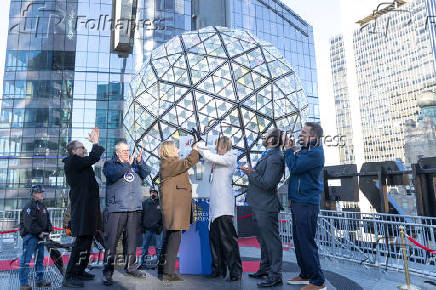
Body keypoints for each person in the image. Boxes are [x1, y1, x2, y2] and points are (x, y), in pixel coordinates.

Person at [102, 141, 151, 285]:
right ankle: (108, 272)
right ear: (117, 152)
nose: (126, 152)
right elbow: (113, 175)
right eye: (123, 151)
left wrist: (140, 162)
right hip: (116, 209)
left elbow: (146, 173)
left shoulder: (134, 165)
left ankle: (131, 267)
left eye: (128, 150)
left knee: (131, 241)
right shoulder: (110, 164)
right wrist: (127, 164)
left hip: (133, 209)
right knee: (111, 242)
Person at [241, 128, 285, 288]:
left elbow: (267, 184)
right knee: (264, 240)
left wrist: (250, 173)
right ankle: (265, 268)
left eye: (266, 136)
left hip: (266, 206)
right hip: (259, 204)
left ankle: (275, 275)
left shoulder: (275, 158)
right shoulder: (269, 156)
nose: (263, 137)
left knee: (272, 241)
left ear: (273, 140)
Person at [284, 122, 326, 290]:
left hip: (307, 202)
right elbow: (296, 165)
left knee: (306, 241)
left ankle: (318, 281)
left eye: (304, 132)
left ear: (313, 136)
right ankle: (305, 274)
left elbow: (294, 167)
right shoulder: (305, 151)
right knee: (299, 240)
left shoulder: (315, 153)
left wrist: (288, 150)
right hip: (298, 201)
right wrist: (293, 151)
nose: (300, 135)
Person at [63, 128, 105, 288]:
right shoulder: (73, 161)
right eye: (82, 147)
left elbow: (90, 159)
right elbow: (93, 157)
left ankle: (80, 270)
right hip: (81, 209)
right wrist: (95, 142)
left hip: (88, 208)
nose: (85, 149)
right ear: (73, 151)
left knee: (87, 241)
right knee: (81, 242)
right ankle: (70, 275)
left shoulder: (80, 163)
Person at [197, 136, 242, 281]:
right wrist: (205, 145)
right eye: (218, 147)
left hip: (224, 208)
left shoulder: (230, 158)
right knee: (215, 241)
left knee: (228, 241)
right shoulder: (218, 159)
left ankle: (235, 271)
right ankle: (218, 269)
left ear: (226, 147)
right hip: (214, 209)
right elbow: (210, 152)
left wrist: (198, 147)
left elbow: (209, 155)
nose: (218, 149)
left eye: (221, 147)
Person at [158, 140, 200, 281]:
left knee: (170, 238)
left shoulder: (168, 164)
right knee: (174, 238)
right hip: (174, 208)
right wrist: (195, 150)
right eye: (175, 147)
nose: (177, 149)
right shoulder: (168, 163)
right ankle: (168, 273)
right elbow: (187, 162)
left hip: (174, 207)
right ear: (169, 150)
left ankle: (163, 269)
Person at [19, 185, 52, 290]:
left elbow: (47, 219)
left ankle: (39, 280)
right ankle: (24, 284)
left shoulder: (42, 205)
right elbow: (29, 224)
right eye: (40, 192)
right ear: (34, 194)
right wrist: (39, 232)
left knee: (40, 259)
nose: (42, 194)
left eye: (42, 192)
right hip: (30, 237)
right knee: (26, 260)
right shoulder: (29, 206)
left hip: (40, 237)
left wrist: (48, 231)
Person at [139, 188, 163, 268]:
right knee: (144, 247)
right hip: (147, 230)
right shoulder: (144, 203)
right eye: (152, 192)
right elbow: (141, 216)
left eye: (155, 192)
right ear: (150, 193)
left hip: (157, 230)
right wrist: (142, 227)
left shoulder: (162, 203)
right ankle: (142, 263)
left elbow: (164, 217)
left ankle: (160, 265)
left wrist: (161, 227)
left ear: (157, 193)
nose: (154, 193)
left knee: (159, 248)